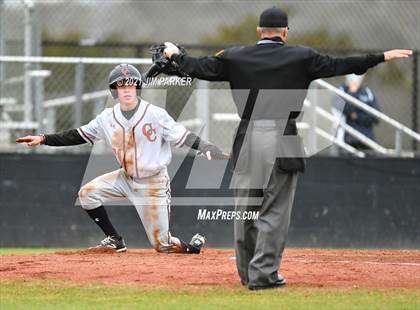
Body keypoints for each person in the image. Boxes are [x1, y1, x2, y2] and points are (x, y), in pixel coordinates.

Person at [162, 7, 412, 289]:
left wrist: (174, 55)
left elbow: (197, 67)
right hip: (284, 134)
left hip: (248, 134)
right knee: (275, 209)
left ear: (259, 32)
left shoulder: (235, 56)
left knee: (246, 209)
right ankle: (263, 275)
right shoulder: (302, 57)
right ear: (285, 32)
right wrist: (379, 57)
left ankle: (247, 275)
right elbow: (342, 65)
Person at [16, 64, 228, 254]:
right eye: (121, 85)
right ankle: (115, 240)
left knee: (162, 246)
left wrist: (206, 147)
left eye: (131, 84)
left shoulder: (155, 114)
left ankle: (193, 248)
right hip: (124, 178)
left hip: (153, 183)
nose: (126, 89)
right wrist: (44, 139)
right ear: (115, 90)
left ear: (137, 87)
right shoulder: (107, 117)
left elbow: (183, 136)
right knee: (87, 194)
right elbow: (78, 135)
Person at [337, 74, 381, 149]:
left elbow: (376, 117)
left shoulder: (367, 92)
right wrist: (352, 92)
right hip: (348, 140)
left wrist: (356, 116)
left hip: (367, 139)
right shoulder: (341, 90)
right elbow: (346, 109)